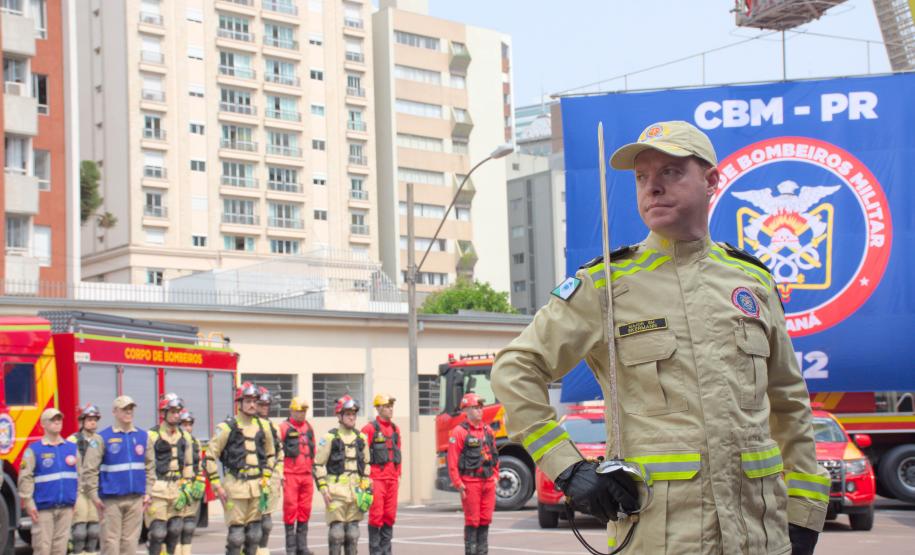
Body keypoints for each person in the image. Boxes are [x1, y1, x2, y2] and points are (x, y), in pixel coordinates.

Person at [491, 120, 830, 554]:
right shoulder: (606, 285)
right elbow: (515, 368)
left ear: (710, 181)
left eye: (670, 172)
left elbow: (788, 401)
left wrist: (804, 512)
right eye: (642, 177)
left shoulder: (752, 281)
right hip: (660, 539)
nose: (652, 188)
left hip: (758, 537)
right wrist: (567, 467)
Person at [205, 381, 276, 555]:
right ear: (239, 402)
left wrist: (267, 477)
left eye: (254, 401)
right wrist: (217, 485)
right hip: (235, 487)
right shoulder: (227, 427)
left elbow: (271, 454)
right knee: (236, 538)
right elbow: (210, 456)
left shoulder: (264, 426)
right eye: (248, 400)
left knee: (254, 535)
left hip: (257, 487)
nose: (252, 404)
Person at [83, 395, 150, 555]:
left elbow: (150, 466)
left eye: (130, 409)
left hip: (135, 499)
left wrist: (148, 492)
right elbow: (89, 469)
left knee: (130, 543)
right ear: (114, 412)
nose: (128, 412)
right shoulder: (102, 438)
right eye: (124, 409)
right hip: (110, 500)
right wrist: (94, 495)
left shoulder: (143, 436)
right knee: (110, 543)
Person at [313, 395, 371, 555]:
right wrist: (323, 488)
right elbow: (318, 464)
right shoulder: (330, 438)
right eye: (348, 414)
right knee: (337, 534)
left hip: (356, 493)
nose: (352, 417)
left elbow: (366, 463)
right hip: (335, 493)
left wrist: (366, 485)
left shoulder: (361, 438)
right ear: (339, 416)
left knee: (353, 534)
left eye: (353, 414)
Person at [18, 408, 79, 555]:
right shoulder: (34, 450)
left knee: (60, 549)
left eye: (59, 419)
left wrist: (75, 498)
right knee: (42, 549)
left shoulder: (71, 448)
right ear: (43, 424)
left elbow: (79, 475)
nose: (57, 422)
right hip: (43, 510)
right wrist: (28, 503)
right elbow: (25, 477)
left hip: (66, 508)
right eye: (53, 419)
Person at [446, 393, 498, 555]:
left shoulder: (488, 430)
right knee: (472, 521)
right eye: (476, 408)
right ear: (466, 410)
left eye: (480, 407)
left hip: (488, 482)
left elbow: (494, 455)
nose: (479, 411)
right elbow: (452, 460)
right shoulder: (459, 432)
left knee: (485, 520)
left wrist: (495, 476)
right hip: (470, 483)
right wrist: (458, 483)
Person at [145, 393, 195, 555]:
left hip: (177, 489)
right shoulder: (151, 436)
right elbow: (146, 465)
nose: (176, 415)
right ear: (163, 413)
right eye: (172, 411)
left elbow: (188, 464)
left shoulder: (185, 437)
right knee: (158, 532)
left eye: (178, 411)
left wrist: (187, 486)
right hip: (157, 489)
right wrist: (146, 491)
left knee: (175, 530)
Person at [361, 393, 401, 555]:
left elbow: (398, 452)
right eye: (386, 406)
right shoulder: (369, 429)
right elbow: (361, 455)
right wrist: (366, 479)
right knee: (376, 516)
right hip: (376, 478)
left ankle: (387, 551)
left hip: (392, 479)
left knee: (389, 516)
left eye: (391, 406)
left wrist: (398, 475)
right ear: (378, 408)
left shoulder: (395, 429)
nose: (390, 409)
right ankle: (375, 552)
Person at [278, 396, 317, 555]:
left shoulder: (308, 427)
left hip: (307, 475)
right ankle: (291, 548)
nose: (302, 413)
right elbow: (276, 451)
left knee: (305, 509)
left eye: (304, 410)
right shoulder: (283, 427)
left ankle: (302, 546)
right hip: (290, 475)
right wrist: (279, 473)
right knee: (290, 509)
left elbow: (313, 450)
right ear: (292, 410)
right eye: (299, 410)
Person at [67, 404, 103, 555]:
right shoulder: (71, 441)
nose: (93, 422)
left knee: (94, 530)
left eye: (95, 419)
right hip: (79, 490)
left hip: (95, 490)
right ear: (82, 420)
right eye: (89, 419)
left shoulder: (100, 440)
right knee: (79, 531)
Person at [255, 387, 284, 555]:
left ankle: (263, 551)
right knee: (250, 524)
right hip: (251, 478)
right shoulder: (247, 425)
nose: (265, 407)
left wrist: (278, 473)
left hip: (270, 478)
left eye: (267, 404)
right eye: (262, 404)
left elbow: (279, 452)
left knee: (266, 522)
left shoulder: (273, 426)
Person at [177, 410, 206, 555]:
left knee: (189, 526)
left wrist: (200, 481)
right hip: (176, 489)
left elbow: (200, 464)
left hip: (192, 487)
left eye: (190, 424)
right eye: (184, 424)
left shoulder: (196, 442)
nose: (187, 428)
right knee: (174, 527)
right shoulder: (173, 440)